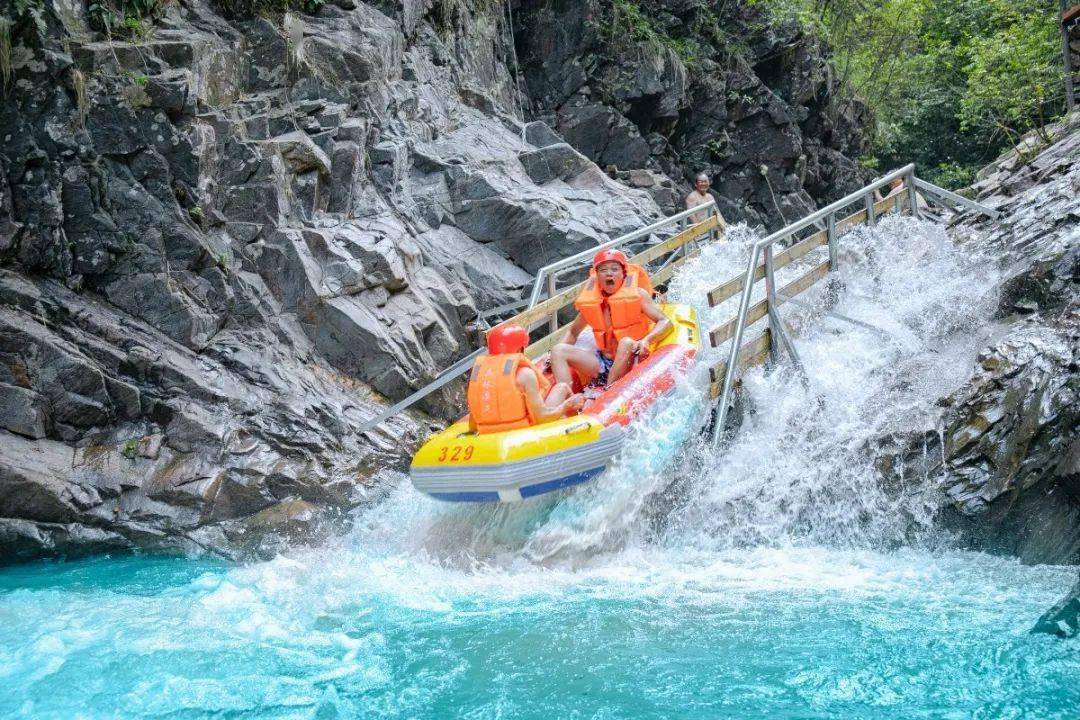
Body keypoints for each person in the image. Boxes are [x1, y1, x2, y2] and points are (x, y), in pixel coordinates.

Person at [549, 249, 671, 389]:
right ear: (597, 275)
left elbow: (665, 321)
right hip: (603, 361)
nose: (609, 273)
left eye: (614, 269)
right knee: (558, 350)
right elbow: (573, 332)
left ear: (623, 273)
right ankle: (566, 398)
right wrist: (551, 357)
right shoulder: (592, 303)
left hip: (633, 360)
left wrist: (647, 340)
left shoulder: (639, 295)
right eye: (603, 270)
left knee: (626, 342)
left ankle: (608, 392)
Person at [467, 324, 583, 434]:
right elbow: (543, 418)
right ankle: (577, 421)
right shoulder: (525, 374)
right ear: (520, 349)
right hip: (524, 431)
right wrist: (567, 405)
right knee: (562, 389)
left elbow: (473, 425)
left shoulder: (479, 373)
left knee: (562, 388)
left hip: (488, 433)